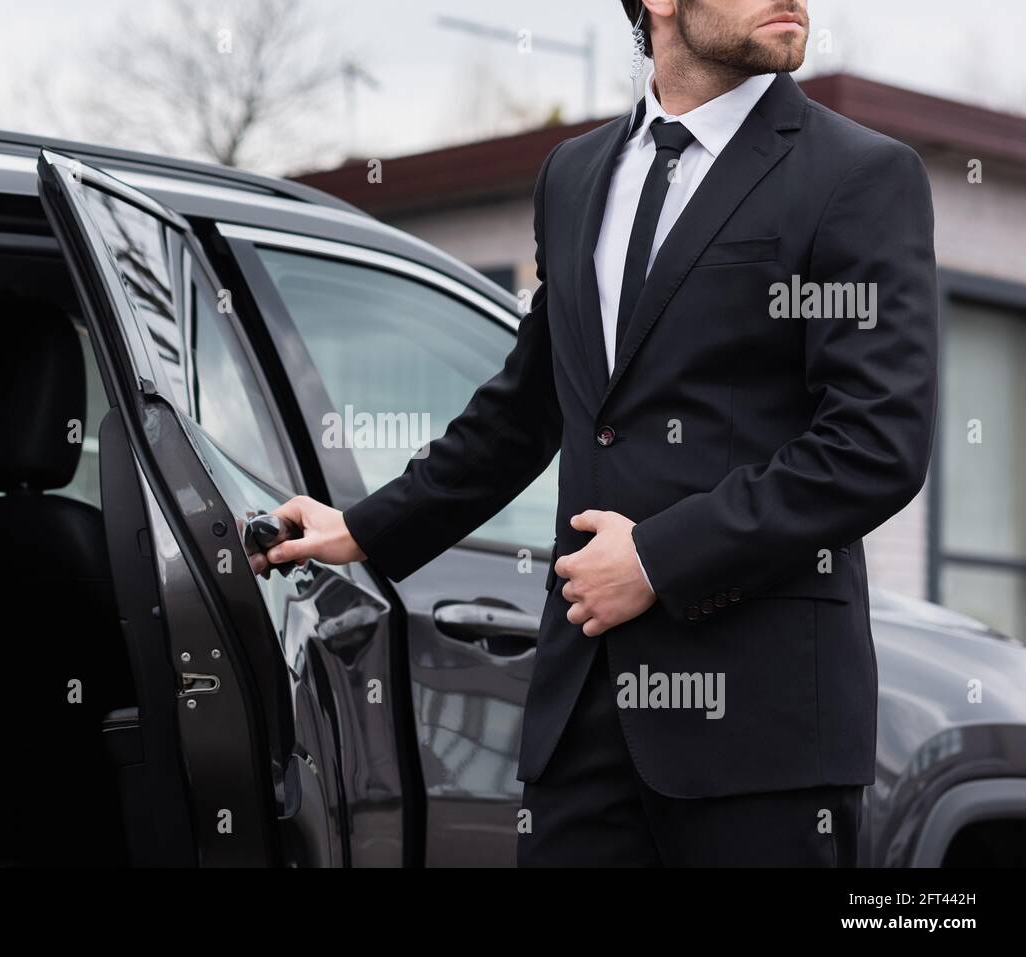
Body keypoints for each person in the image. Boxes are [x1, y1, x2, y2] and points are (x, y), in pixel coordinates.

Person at [265, 0, 937, 866]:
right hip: (581, 719)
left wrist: (657, 557)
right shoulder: (574, 175)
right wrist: (364, 527)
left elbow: (876, 444)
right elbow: (528, 406)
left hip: (763, 736)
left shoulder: (861, 174)